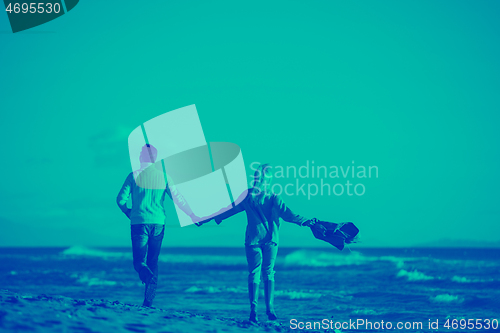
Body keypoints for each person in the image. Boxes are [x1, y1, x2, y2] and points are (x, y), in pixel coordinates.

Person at [200, 163, 314, 323]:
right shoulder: (273, 197)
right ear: (269, 179)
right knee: (269, 272)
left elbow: (228, 210)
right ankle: (270, 309)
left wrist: (207, 218)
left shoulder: (247, 196)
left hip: (253, 239)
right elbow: (289, 215)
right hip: (271, 240)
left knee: (254, 273)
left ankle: (253, 310)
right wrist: (308, 222)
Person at [116, 144, 197, 307]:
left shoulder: (133, 176)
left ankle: (144, 273)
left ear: (142, 157)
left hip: (139, 222)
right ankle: (148, 300)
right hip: (158, 223)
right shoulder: (164, 176)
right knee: (153, 260)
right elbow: (178, 198)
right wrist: (192, 214)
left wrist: (127, 212)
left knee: (139, 262)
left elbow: (120, 200)